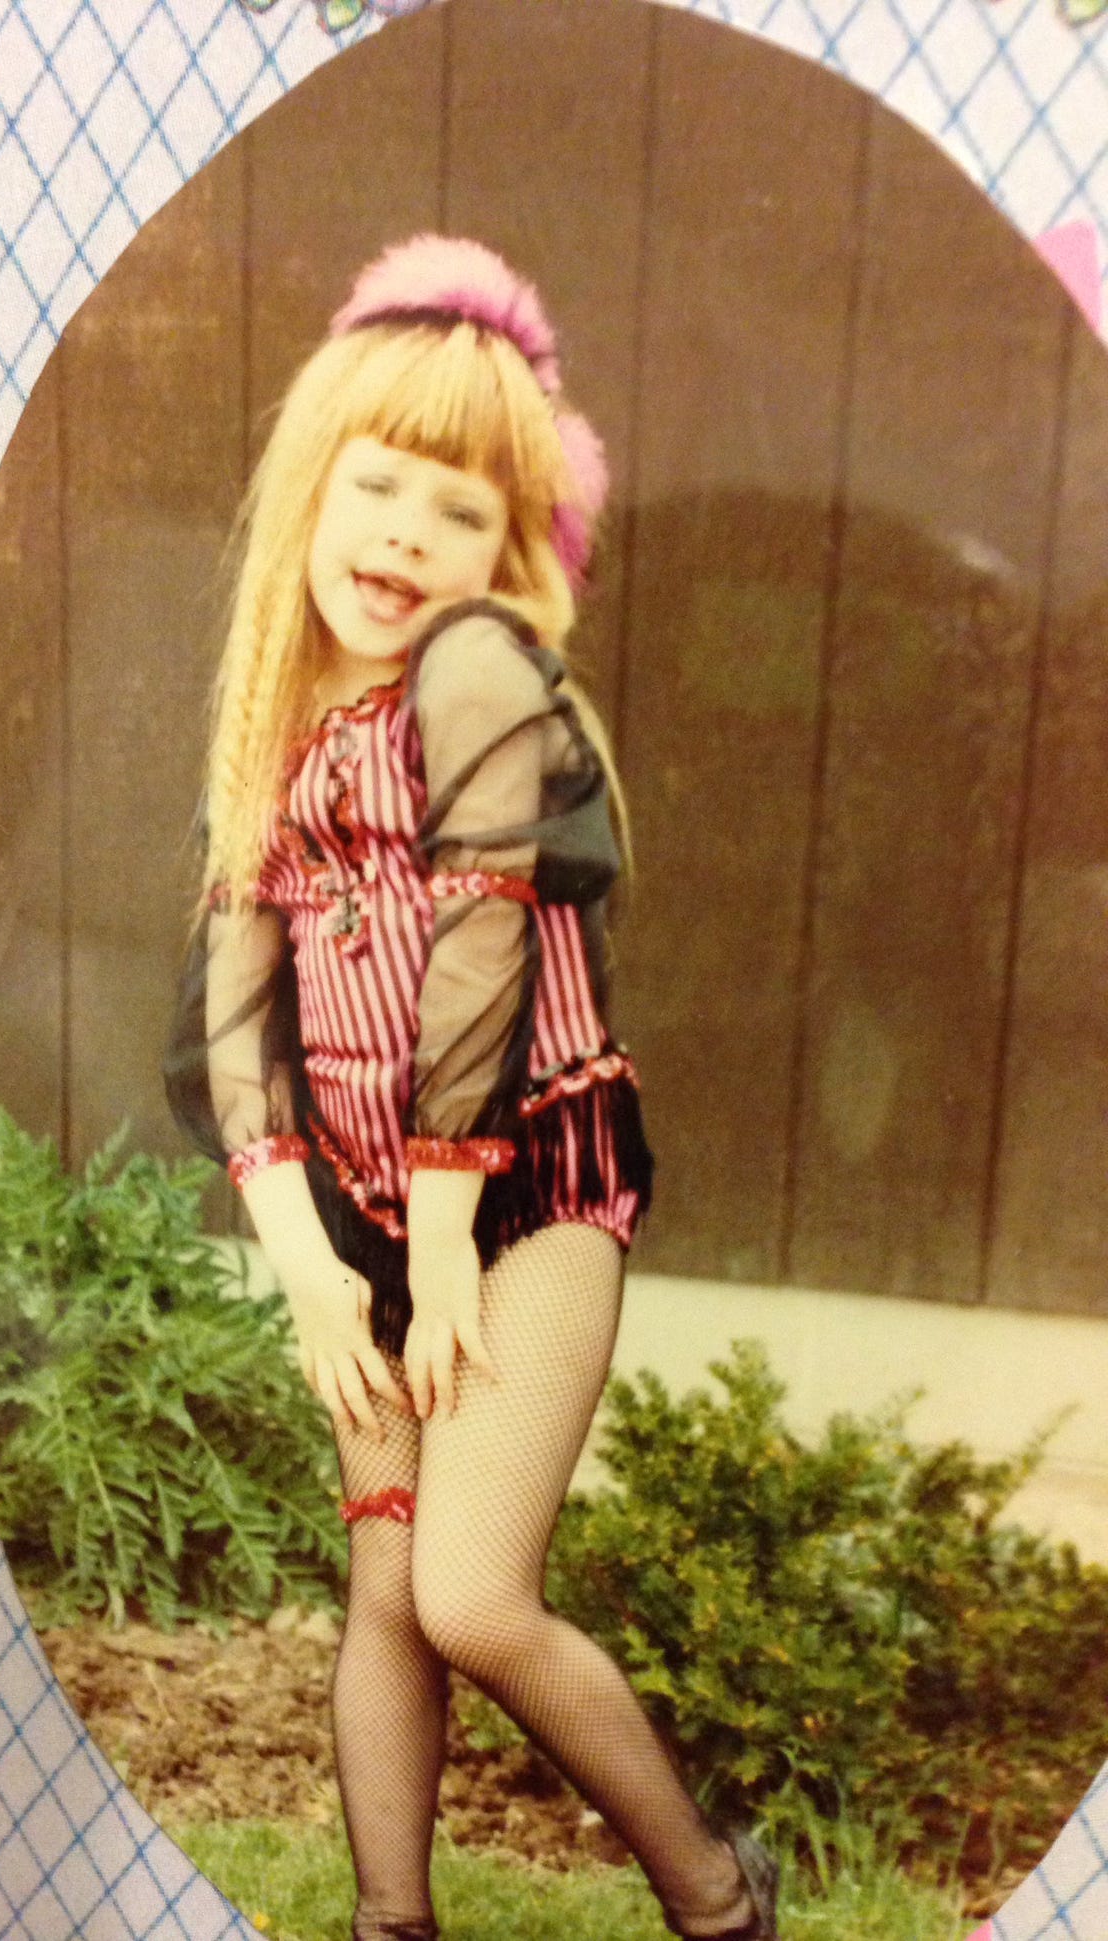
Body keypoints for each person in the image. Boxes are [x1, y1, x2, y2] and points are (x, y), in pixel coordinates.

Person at [166, 235, 779, 1941]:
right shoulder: (273, 725)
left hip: (526, 1189)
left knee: (471, 1596)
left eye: (458, 510)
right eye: (376, 486)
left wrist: (440, 1247)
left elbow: (480, 955)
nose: (404, 537)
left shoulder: (478, 670)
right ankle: (392, 1923)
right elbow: (235, 1021)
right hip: (362, 1219)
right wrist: (311, 1266)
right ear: (313, 487)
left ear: (510, 549)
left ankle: (720, 1898)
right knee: (386, 1587)